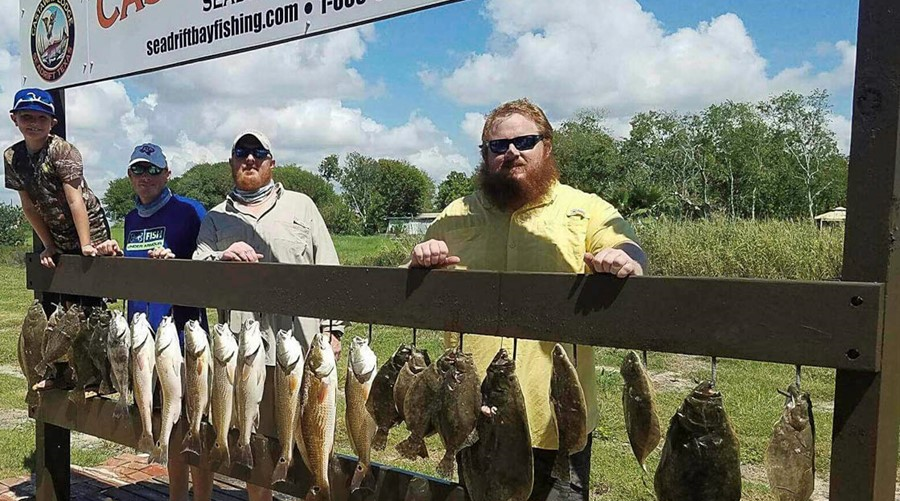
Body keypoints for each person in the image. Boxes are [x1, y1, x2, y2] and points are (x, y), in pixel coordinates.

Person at [409, 98, 647, 500]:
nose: (512, 152)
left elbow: (627, 246)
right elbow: (412, 277)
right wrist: (420, 258)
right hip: (474, 416)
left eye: (525, 141)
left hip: (557, 421)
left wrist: (624, 258)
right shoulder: (455, 214)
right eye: (498, 146)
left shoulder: (585, 208)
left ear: (547, 146)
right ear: (485, 156)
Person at [192, 129, 344, 501]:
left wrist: (334, 329)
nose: (249, 159)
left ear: (271, 163)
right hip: (244, 355)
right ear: (231, 162)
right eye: (241, 152)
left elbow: (330, 268)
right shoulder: (215, 218)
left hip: (303, 351)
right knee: (255, 444)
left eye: (258, 153)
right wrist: (220, 257)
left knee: (311, 437)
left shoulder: (303, 206)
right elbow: (197, 267)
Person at [97, 143, 213, 501]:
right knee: (166, 422)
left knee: (195, 422)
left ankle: (204, 495)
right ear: (130, 177)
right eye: (137, 171)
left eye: (151, 170)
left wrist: (178, 260)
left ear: (167, 173)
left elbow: (208, 260)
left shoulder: (191, 211)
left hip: (183, 334)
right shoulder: (131, 219)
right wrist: (113, 256)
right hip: (142, 336)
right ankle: (177, 495)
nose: (144, 178)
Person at [4, 87, 117, 276]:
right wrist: (48, 244)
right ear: (14, 119)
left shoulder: (63, 151)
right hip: (56, 231)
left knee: (91, 281)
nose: (34, 123)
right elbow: (28, 207)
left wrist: (86, 244)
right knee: (65, 286)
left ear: (52, 122)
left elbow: (75, 200)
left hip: (89, 226)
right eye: (27, 117)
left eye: (42, 118)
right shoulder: (12, 156)